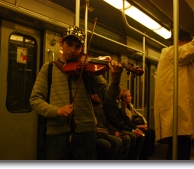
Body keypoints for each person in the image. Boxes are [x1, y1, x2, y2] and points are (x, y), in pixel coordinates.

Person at [29, 25, 123, 160]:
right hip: (57, 134)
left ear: (82, 48)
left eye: (77, 47)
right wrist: (57, 111)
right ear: (62, 42)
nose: (73, 50)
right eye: (69, 44)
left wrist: (115, 80)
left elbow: (107, 97)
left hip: (85, 133)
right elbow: (35, 99)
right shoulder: (48, 68)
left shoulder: (87, 68)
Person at [154, 19, 194, 160]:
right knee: (179, 153)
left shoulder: (181, 60)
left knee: (180, 151)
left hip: (180, 114)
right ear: (180, 43)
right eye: (187, 43)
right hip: (177, 114)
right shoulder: (171, 53)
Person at [103, 89, 145, 160]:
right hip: (116, 128)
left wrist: (135, 128)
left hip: (122, 126)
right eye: (119, 90)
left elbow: (126, 119)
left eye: (121, 91)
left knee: (141, 134)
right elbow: (115, 122)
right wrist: (132, 130)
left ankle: (134, 157)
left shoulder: (121, 103)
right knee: (131, 136)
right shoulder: (109, 103)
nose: (121, 92)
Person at [91, 92, 130, 160]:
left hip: (105, 131)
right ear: (92, 96)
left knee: (122, 139)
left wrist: (114, 131)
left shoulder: (99, 107)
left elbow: (106, 123)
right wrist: (112, 132)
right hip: (98, 133)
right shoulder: (92, 108)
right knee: (112, 143)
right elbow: (98, 125)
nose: (100, 96)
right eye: (98, 94)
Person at [121, 89, 155, 159]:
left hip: (132, 125)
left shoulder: (130, 106)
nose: (131, 97)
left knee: (152, 132)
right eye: (129, 96)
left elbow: (139, 114)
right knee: (146, 133)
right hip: (129, 126)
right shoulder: (123, 109)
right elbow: (127, 121)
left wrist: (144, 123)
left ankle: (148, 154)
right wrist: (138, 127)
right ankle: (142, 156)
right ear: (124, 98)